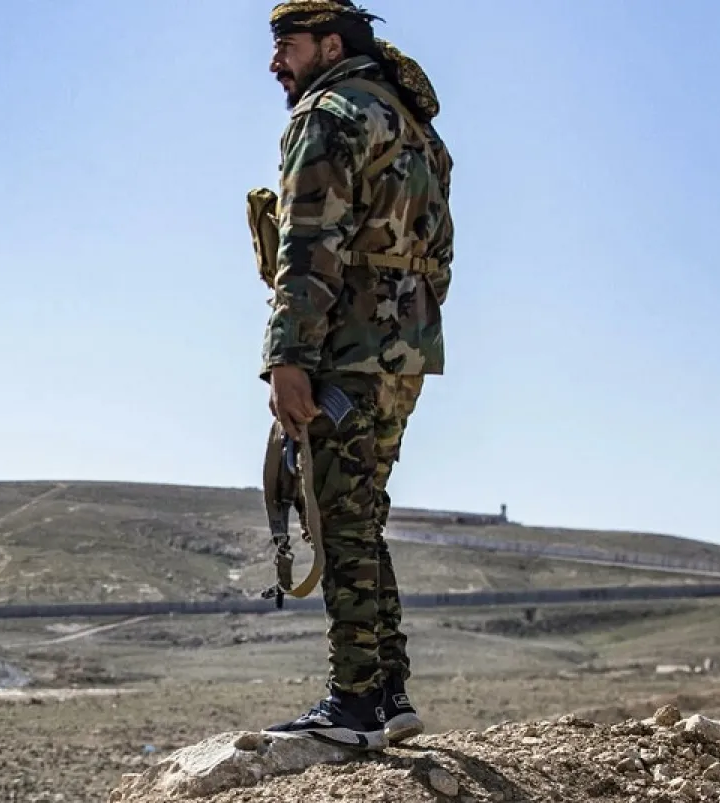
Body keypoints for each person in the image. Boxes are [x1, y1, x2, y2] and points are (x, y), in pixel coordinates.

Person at [257, 0, 454, 750]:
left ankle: (355, 699)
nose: (278, 64)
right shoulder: (413, 127)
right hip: (403, 352)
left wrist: (288, 357)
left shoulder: (328, 113)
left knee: (337, 516)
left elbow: (307, 247)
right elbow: (440, 251)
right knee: (359, 511)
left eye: (289, 48)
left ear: (329, 44)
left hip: (343, 348)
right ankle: (389, 690)